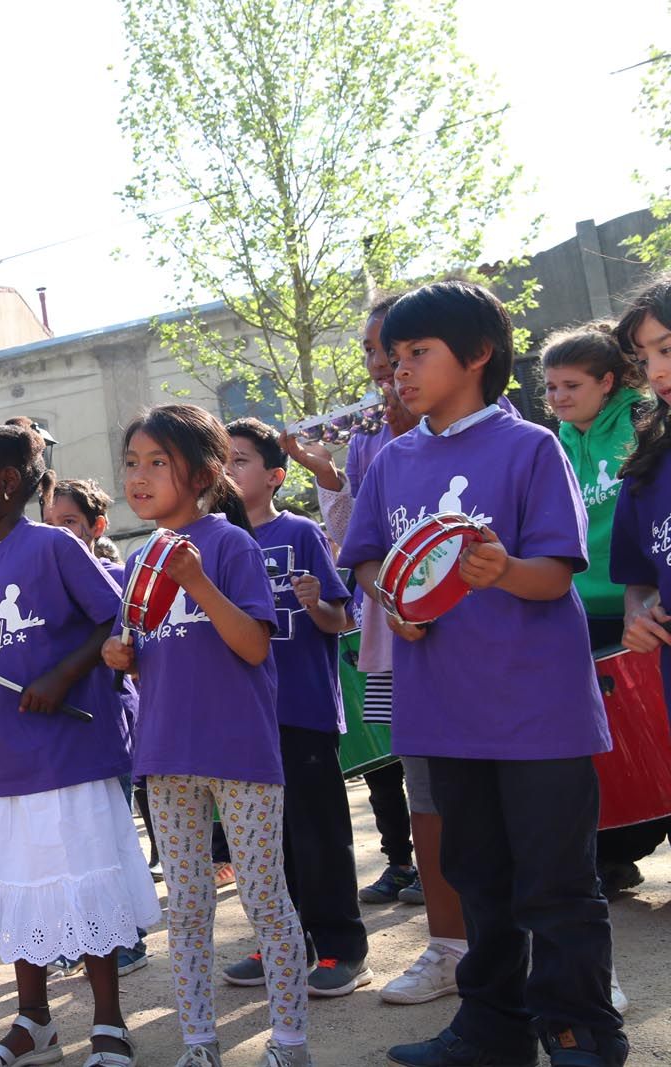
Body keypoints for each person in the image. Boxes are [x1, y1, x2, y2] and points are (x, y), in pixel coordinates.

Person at [340, 280, 624, 1067]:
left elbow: (554, 574)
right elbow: (366, 556)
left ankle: (580, 1031)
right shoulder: (394, 461)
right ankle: (491, 1029)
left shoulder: (529, 445)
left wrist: (498, 569)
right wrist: (391, 599)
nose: (399, 370)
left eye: (417, 352)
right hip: (441, 713)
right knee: (479, 880)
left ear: (477, 354)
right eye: (393, 357)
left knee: (557, 885)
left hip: (539, 712)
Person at [0, 408, 160, 1067]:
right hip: (5, 764)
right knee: (23, 887)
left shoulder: (55, 546)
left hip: (72, 754)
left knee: (83, 882)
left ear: (9, 481)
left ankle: (108, 1022)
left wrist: (63, 673)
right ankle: (33, 1020)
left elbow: (116, 619)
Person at [101, 404, 310, 1067]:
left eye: (156, 461)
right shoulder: (138, 558)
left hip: (239, 751)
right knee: (186, 907)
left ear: (205, 472)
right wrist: (121, 654)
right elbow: (140, 644)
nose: (138, 475)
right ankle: (199, 1043)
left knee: (264, 898)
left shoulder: (229, 544)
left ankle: (291, 1041)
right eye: (131, 462)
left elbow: (253, 645)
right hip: (164, 754)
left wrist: (195, 580)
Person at [285, 296, 474, 1011]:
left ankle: (544, 949)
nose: (385, 372)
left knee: (504, 791)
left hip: (484, 648)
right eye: (375, 357)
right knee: (421, 780)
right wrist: (329, 473)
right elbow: (355, 543)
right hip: (399, 639)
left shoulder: (496, 437)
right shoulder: (372, 442)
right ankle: (449, 944)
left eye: (400, 355)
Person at [225, 418, 370, 997]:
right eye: (223, 461)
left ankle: (340, 948)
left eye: (239, 460)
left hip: (303, 710)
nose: (228, 471)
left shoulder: (301, 533)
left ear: (275, 475)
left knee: (319, 833)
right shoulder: (218, 541)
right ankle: (283, 941)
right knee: (265, 841)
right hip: (246, 716)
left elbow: (343, 619)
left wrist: (315, 604)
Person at [546, 322, 665, 917]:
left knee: (658, 729)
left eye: (572, 385)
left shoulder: (646, 423)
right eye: (550, 388)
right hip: (580, 608)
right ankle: (614, 854)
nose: (559, 398)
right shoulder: (557, 440)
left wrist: (636, 597)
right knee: (605, 742)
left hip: (640, 604)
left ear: (609, 382)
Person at [41, 476, 160, 954]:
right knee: (71, 841)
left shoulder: (115, 580)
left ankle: (126, 936)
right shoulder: (38, 581)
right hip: (61, 733)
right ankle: (84, 935)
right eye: (49, 524)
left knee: (112, 836)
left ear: (97, 527)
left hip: (109, 722)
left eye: (69, 523)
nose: (58, 533)